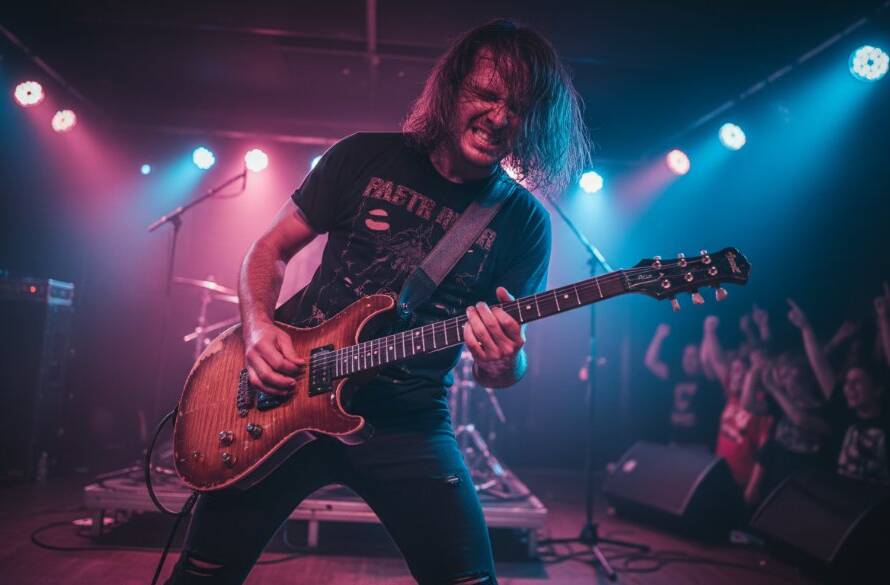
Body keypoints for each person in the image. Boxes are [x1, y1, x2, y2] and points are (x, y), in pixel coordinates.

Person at [165, 19, 590, 584]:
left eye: (518, 108)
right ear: (453, 90)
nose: (499, 117)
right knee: (203, 575)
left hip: (409, 423)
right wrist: (260, 328)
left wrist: (503, 360)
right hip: (287, 396)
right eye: (487, 95)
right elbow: (268, 250)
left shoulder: (523, 223)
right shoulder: (362, 158)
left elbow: (500, 371)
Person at [644, 321, 724, 448]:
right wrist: (658, 337)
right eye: (686, 355)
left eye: (693, 356)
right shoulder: (675, 374)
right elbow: (651, 362)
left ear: (700, 358)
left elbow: (715, 359)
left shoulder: (707, 378)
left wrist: (709, 332)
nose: (688, 359)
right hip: (675, 442)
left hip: (699, 445)